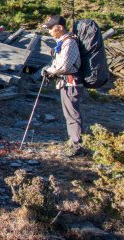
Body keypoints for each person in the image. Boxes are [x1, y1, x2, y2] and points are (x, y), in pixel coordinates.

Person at [40, 15, 86, 157]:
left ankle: (77, 145)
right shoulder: (63, 42)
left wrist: (50, 71)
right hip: (66, 82)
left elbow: (65, 66)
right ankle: (74, 141)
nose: (49, 32)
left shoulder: (69, 43)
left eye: (50, 28)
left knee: (72, 114)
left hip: (71, 82)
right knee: (69, 113)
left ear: (59, 28)